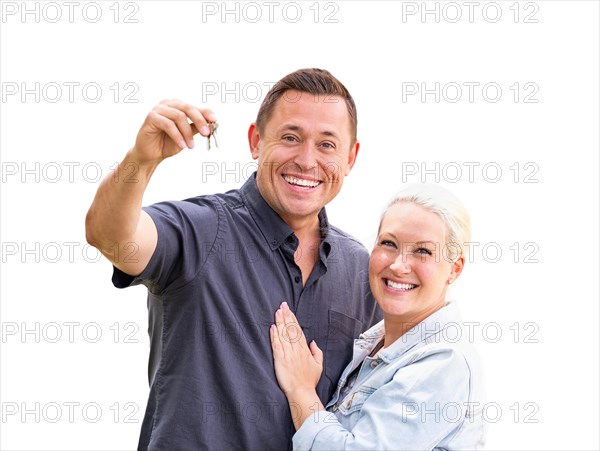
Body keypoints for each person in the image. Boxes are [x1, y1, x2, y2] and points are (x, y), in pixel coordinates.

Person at [85, 68, 382, 450]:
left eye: (327, 144)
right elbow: (109, 236)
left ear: (350, 157)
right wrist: (141, 160)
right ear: (256, 141)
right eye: (290, 137)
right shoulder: (201, 231)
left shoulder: (362, 270)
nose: (307, 161)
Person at [270, 184, 486, 450]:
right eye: (389, 244)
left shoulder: (443, 363)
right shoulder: (373, 346)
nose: (397, 265)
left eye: (423, 251)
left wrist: (301, 391)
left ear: (454, 269)